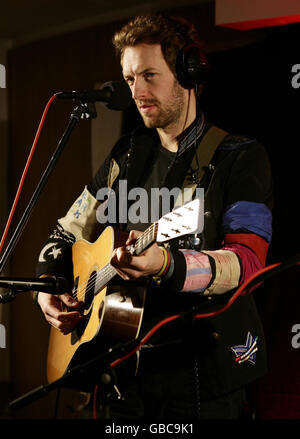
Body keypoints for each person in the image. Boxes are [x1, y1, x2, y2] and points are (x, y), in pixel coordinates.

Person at [34, 13, 273, 419]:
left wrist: (166, 262)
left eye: (149, 75)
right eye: (130, 79)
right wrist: (48, 287)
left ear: (188, 71)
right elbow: (66, 231)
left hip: (204, 377)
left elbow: (248, 264)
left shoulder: (239, 158)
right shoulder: (125, 156)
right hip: (123, 375)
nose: (138, 91)